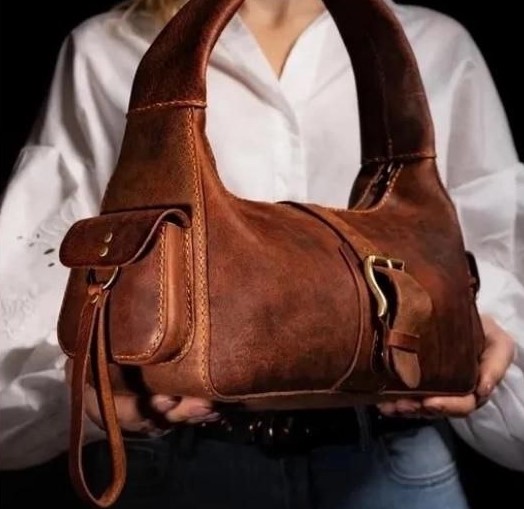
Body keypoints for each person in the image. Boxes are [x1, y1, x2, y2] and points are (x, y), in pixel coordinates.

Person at [0, 0, 522, 507]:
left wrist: (485, 340)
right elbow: (34, 290)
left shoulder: (435, 45)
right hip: (176, 464)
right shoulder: (106, 48)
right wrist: (85, 391)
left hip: (394, 461)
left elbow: (496, 261)